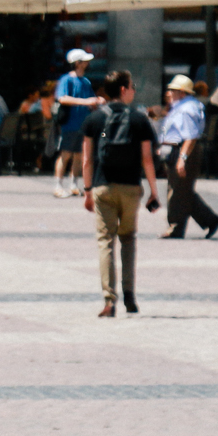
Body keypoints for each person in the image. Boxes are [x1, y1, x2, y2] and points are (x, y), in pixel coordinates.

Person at [80, 70, 159, 318]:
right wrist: (154, 191)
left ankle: (109, 299)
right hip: (130, 188)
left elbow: (87, 159)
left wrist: (87, 191)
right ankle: (130, 296)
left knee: (106, 242)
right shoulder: (139, 120)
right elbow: (147, 158)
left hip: (103, 186)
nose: (134, 89)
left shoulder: (96, 121)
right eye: (132, 86)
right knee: (128, 239)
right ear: (123, 90)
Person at [157, 74, 218, 241]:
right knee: (182, 190)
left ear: (182, 93)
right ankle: (210, 219)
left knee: (177, 191)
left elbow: (190, 137)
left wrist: (182, 158)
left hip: (185, 151)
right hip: (178, 149)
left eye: (172, 90)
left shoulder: (186, 109)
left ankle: (175, 227)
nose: (168, 93)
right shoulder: (184, 106)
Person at [52, 48, 102, 198]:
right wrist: (85, 101)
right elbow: (62, 98)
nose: (88, 63)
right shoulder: (66, 79)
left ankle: (74, 184)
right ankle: (58, 185)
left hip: (83, 123)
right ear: (78, 63)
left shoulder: (85, 81)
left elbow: (90, 100)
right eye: (85, 60)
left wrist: (97, 101)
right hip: (70, 123)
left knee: (79, 155)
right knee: (65, 154)